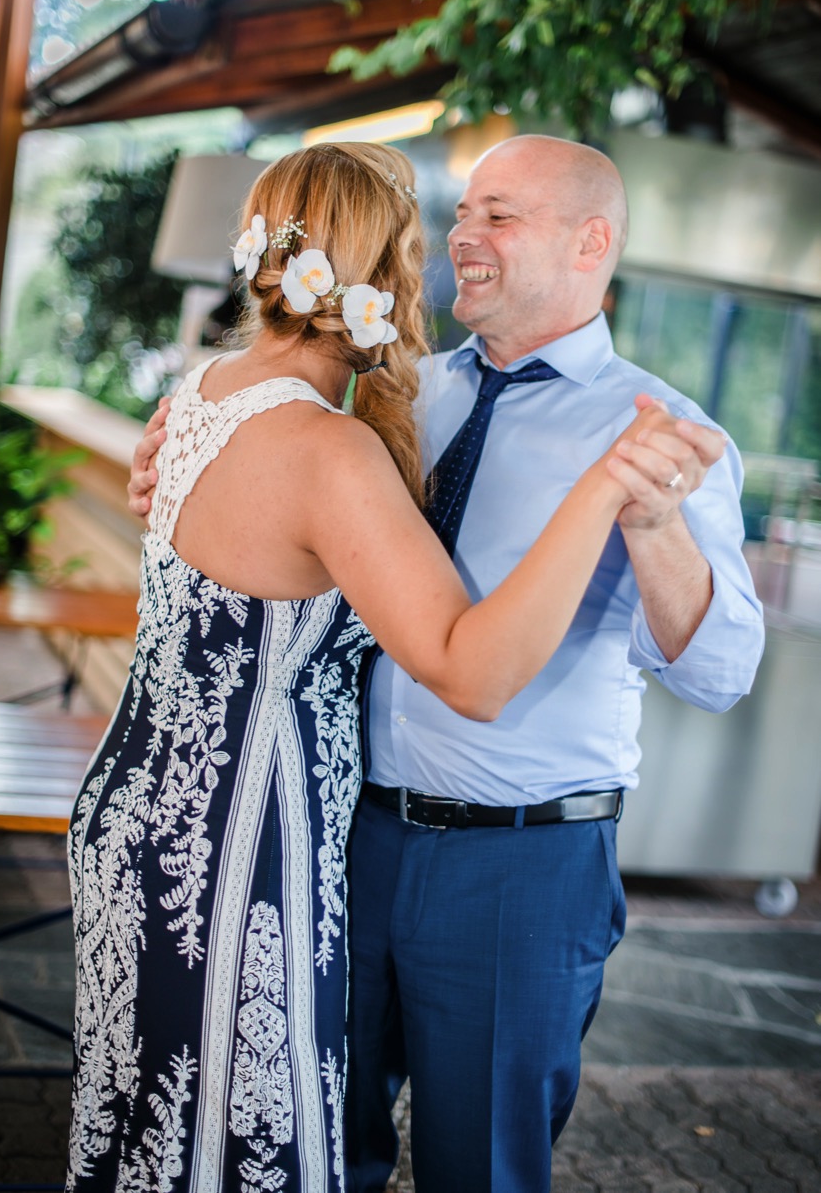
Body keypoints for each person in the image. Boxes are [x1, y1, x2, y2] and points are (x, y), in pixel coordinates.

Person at [126, 136, 761, 1193]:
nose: (463, 237)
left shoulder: (661, 430)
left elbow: (722, 670)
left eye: (500, 216)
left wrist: (656, 526)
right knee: (332, 1154)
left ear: (591, 240)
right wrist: (175, 458)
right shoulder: (398, 391)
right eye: (463, 213)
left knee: (483, 1170)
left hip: (520, 870)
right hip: (346, 842)